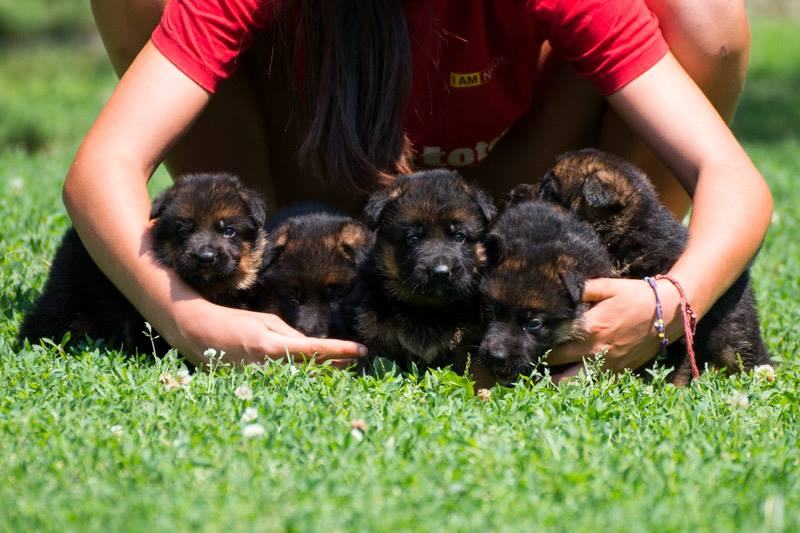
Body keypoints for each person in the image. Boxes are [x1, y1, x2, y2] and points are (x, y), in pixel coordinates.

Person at [68, 0, 771, 374]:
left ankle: (599, 288)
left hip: (509, 207)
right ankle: (256, 294)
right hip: (321, 198)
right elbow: (102, 168)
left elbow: (733, 178)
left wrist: (665, 303)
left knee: (705, 18)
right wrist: (188, 316)